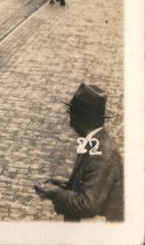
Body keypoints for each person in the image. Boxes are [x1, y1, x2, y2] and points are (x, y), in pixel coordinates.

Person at [35, 83, 123, 222]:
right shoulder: (96, 142)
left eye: (70, 113)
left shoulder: (101, 153)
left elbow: (88, 204)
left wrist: (57, 193)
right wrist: (64, 186)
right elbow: (91, 184)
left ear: (76, 117)